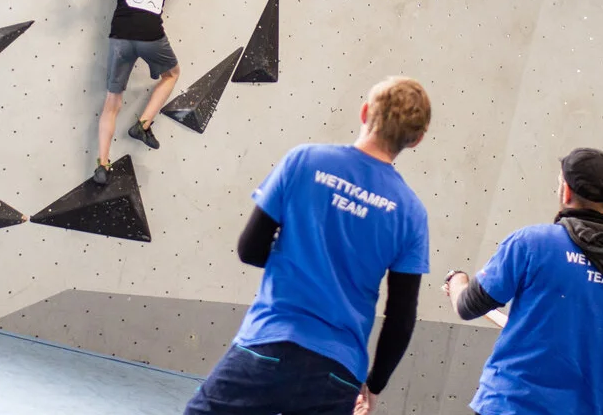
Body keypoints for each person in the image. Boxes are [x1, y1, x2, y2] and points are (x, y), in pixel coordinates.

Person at [185, 77, 432, 415]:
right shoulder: (411, 213)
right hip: (338, 372)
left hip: (266, 343)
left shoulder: (304, 161)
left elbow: (250, 249)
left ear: (364, 113)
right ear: (416, 140)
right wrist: (374, 385)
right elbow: (401, 317)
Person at [441, 148, 603, 415]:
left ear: (565, 191)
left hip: (510, 407)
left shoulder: (532, 244)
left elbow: (467, 305)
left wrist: (456, 279)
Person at [86, 0, 226, 185]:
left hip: (120, 37)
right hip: (151, 36)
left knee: (112, 102)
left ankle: (102, 164)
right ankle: (143, 124)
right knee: (172, 74)